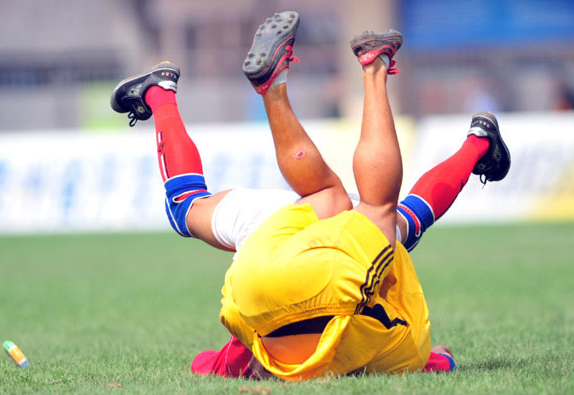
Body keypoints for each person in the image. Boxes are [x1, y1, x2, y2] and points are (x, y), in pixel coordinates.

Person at [110, 11, 510, 380]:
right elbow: (204, 365)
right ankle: (164, 90)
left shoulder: (397, 352)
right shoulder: (261, 352)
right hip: (257, 278)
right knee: (189, 207)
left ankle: (379, 73)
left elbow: (438, 359)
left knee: (384, 214)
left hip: (309, 266)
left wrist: (442, 357)